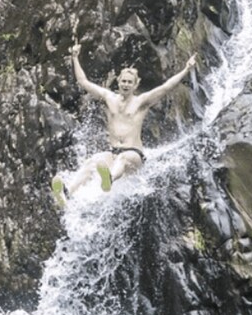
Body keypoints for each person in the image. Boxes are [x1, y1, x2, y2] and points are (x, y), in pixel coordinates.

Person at [51, 42, 197, 206]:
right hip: (112, 153)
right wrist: (75, 58)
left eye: (130, 82)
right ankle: (67, 194)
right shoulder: (108, 97)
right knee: (93, 161)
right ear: (118, 82)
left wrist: (186, 69)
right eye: (124, 81)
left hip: (133, 155)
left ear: (135, 85)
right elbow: (83, 82)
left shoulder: (141, 102)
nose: (126, 84)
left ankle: (109, 180)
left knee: (122, 159)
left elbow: (166, 87)